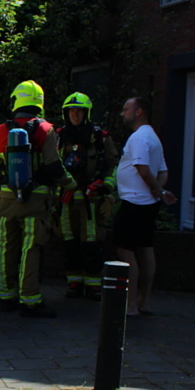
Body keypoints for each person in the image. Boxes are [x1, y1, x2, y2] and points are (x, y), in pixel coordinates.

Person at [0, 80, 71, 318]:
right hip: (37, 199)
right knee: (31, 248)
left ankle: (6, 297)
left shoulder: (1, 130)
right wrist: (72, 185)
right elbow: (54, 166)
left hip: (7, 198)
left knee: (5, 246)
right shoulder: (46, 129)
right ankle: (30, 300)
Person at [114, 97, 177, 316]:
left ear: (139, 112)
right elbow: (163, 171)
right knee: (145, 249)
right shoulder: (154, 137)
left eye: (126, 109)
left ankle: (130, 305)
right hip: (147, 204)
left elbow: (142, 169)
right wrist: (157, 192)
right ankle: (143, 301)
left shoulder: (139, 137)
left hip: (134, 203)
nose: (123, 113)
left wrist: (156, 191)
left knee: (125, 250)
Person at [56, 92, 119, 300]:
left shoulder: (100, 137)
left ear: (87, 113)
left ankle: (93, 285)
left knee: (92, 243)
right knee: (69, 241)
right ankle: (74, 282)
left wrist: (105, 189)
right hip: (67, 200)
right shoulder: (58, 136)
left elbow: (112, 166)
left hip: (91, 201)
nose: (75, 115)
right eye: (71, 111)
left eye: (79, 111)